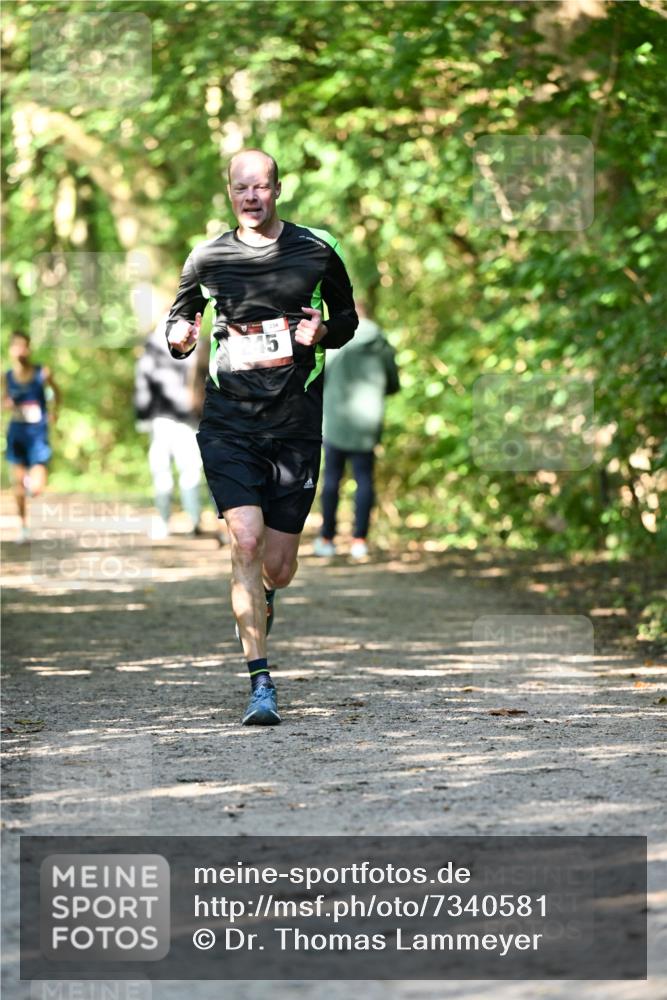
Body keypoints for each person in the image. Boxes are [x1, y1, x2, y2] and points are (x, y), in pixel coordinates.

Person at [165, 149, 358, 726]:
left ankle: (266, 595)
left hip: (296, 422)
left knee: (278, 566)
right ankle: (261, 683)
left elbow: (346, 321)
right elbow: (178, 322)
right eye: (240, 188)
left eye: (261, 187)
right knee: (243, 542)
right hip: (230, 421)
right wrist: (180, 338)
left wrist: (323, 330)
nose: (251, 197)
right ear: (230, 192)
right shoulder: (207, 257)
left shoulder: (317, 249)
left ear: (278, 190)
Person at [314, 302, 399, 560]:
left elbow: (319, 376)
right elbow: (393, 383)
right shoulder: (381, 343)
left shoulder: (337, 340)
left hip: (335, 421)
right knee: (364, 480)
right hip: (368, 422)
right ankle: (359, 540)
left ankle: (327, 538)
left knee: (331, 480)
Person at [134, 313, 203, 539]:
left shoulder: (152, 347)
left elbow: (143, 382)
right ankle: (192, 520)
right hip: (185, 418)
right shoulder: (196, 343)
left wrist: (143, 418)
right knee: (189, 470)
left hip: (165, 419)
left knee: (165, 472)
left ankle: (167, 521)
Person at [3, 331, 60, 543]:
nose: (20, 350)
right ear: (11, 350)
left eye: (23, 346)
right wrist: (5, 404)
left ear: (29, 349)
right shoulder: (6, 377)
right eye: (15, 346)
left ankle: (30, 484)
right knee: (16, 486)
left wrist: (54, 411)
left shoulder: (41, 372)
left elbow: (56, 393)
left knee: (36, 487)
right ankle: (24, 527)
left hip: (38, 433)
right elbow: (3, 401)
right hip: (17, 432)